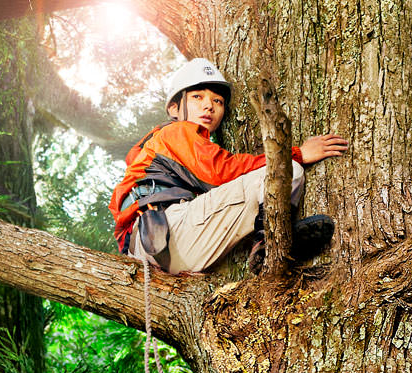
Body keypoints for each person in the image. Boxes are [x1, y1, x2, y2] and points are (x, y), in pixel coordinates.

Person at [110, 58, 350, 273]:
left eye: (218, 101)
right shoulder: (174, 133)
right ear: (174, 108)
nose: (209, 106)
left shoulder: (151, 150)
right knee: (289, 172)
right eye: (197, 97)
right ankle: (273, 239)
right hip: (167, 232)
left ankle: (266, 245)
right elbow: (221, 171)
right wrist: (297, 154)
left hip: (161, 250)